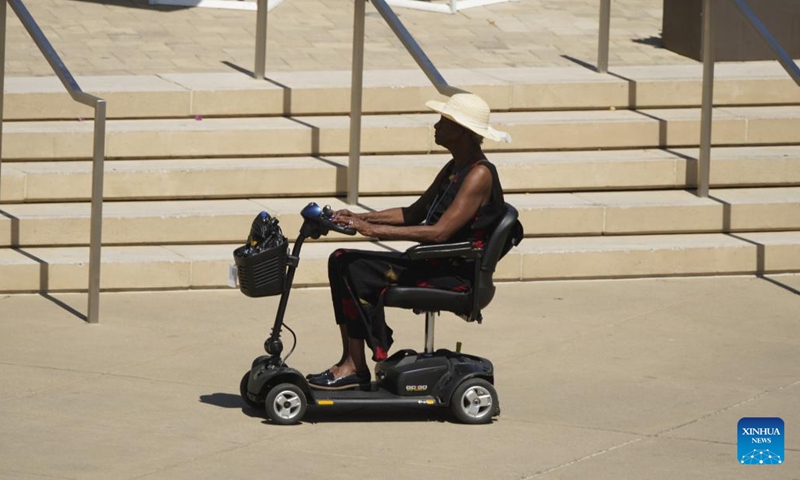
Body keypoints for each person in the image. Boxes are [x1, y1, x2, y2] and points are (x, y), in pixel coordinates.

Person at [308, 93, 512, 390]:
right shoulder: (455, 167)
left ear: (464, 133)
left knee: (353, 266)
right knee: (341, 260)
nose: (436, 125)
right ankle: (351, 362)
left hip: (451, 274)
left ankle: (355, 365)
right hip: (432, 262)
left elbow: (440, 232)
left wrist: (371, 230)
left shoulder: (479, 174)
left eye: (445, 121)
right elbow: (415, 213)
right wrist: (363, 218)